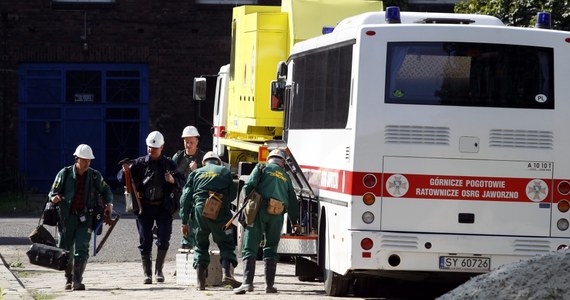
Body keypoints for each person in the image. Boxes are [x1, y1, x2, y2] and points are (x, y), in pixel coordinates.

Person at [117, 131, 185, 284]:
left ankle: (159, 271)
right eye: (149, 148)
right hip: (144, 207)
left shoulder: (169, 163)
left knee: (164, 239)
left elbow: (183, 180)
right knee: (145, 240)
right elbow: (121, 179)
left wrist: (173, 179)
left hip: (164, 207)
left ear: (162, 147)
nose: (151, 151)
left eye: (154, 148)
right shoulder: (139, 163)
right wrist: (124, 171)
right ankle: (147, 274)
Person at [233, 149, 300, 294]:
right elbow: (293, 202)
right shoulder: (286, 177)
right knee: (271, 247)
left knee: (250, 245)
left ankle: (247, 283)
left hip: (259, 211)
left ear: (269, 159)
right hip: (277, 213)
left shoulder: (261, 168)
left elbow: (248, 186)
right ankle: (269, 286)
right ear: (282, 162)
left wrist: (246, 201)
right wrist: (294, 222)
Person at [48, 144, 113, 291]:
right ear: (77, 159)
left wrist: (109, 203)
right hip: (66, 218)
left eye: (89, 160)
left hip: (86, 217)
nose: (88, 163)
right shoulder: (64, 173)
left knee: (82, 248)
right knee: (65, 249)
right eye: (85, 160)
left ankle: (78, 280)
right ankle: (68, 278)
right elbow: (52, 192)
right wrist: (54, 198)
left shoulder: (95, 175)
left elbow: (106, 189)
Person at [179, 151, 241, 290]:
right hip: (219, 211)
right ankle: (226, 275)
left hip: (200, 212)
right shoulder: (225, 172)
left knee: (200, 245)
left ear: (204, 162)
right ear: (218, 162)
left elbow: (185, 198)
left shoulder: (196, 173)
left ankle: (200, 283)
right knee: (226, 244)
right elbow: (231, 195)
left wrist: (184, 221)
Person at [172, 125, 205, 250]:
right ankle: (188, 245)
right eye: (186, 142)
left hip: (197, 197)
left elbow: (208, 178)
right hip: (181, 195)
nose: (189, 145)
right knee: (185, 221)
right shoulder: (178, 157)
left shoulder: (203, 158)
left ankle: (189, 245)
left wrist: (197, 170)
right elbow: (172, 173)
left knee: (194, 223)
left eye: (191, 142)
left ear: (197, 141)